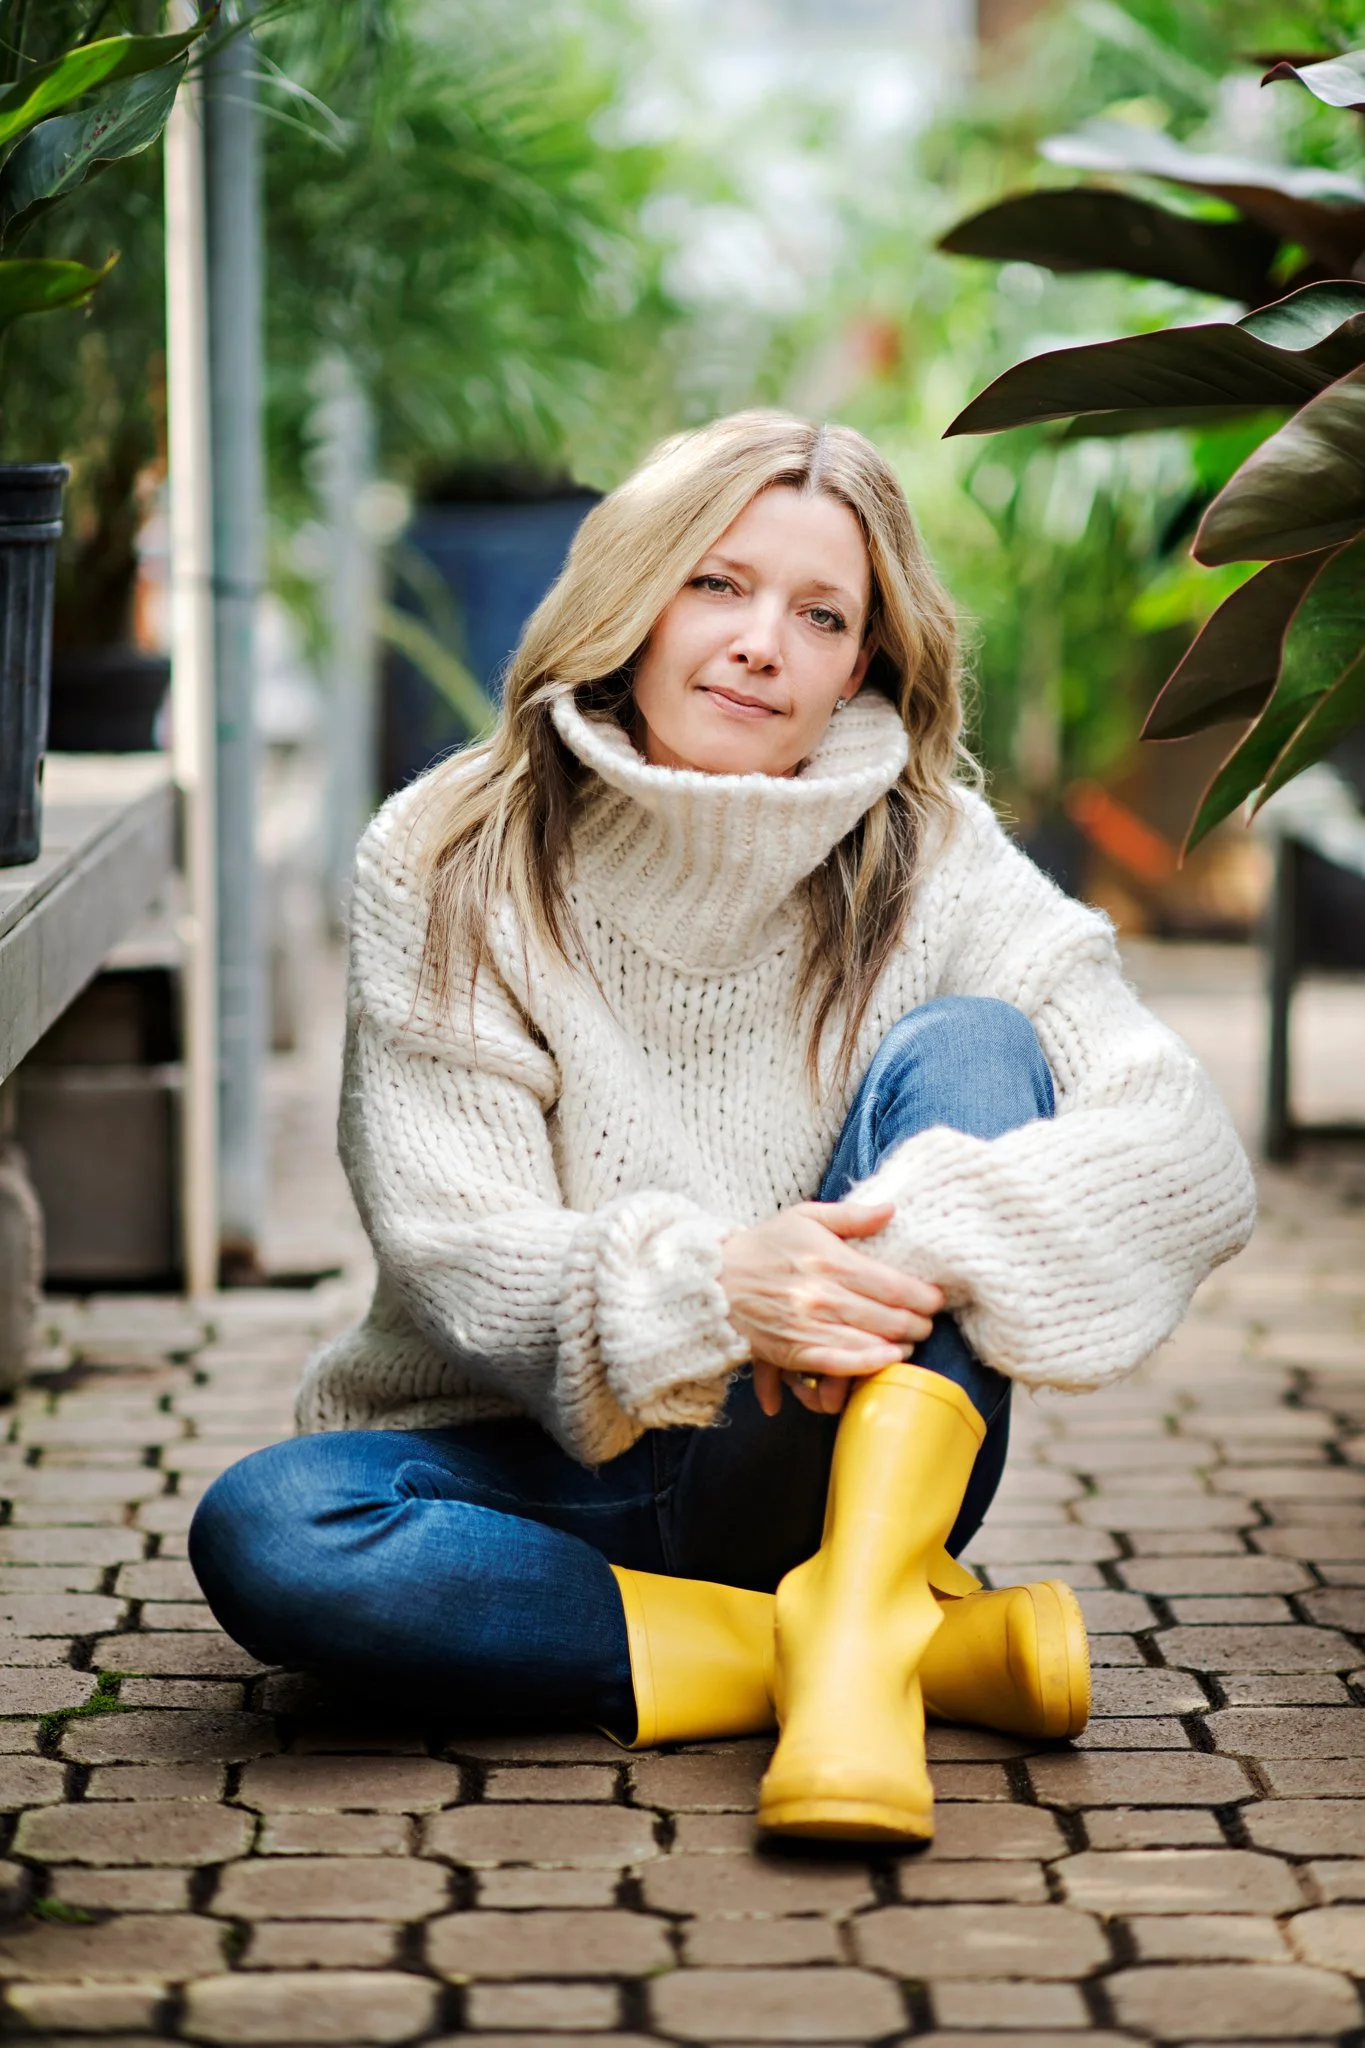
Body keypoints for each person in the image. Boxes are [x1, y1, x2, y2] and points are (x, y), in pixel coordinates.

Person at [191, 412, 1255, 1843]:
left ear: (864, 662)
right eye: (718, 582)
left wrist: (897, 1245)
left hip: (826, 1450)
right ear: (633, 592)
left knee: (980, 1050)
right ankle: (877, 1652)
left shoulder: (933, 853)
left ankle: (854, 1592)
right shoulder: (449, 855)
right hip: (534, 1474)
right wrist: (723, 1288)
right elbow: (459, 1244)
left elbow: (1180, 1139)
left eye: (822, 614)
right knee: (272, 1532)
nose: (764, 642)